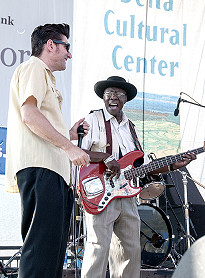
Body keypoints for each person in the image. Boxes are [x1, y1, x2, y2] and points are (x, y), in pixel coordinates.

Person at [78, 76, 196, 278]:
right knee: (98, 249)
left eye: (118, 94)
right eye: (109, 94)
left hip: (127, 197)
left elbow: (143, 167)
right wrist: (106, 157)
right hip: (100, 194)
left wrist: (175, 164)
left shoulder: (131, 128)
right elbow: (78, 153)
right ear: (103, 98)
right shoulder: (92, 120)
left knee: (130, 253)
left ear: (125, 99)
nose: (113, 98)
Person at [5, 23, 90, 278]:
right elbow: (29, 115)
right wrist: (69, 146)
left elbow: (40, 120)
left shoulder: (45, 77)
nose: (70, 54)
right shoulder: (34, 67)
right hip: (42, 170)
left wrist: (69, 135)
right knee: (41, 253)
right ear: (50, 45)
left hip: (52, 172)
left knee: (52, 255)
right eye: (67, 46)